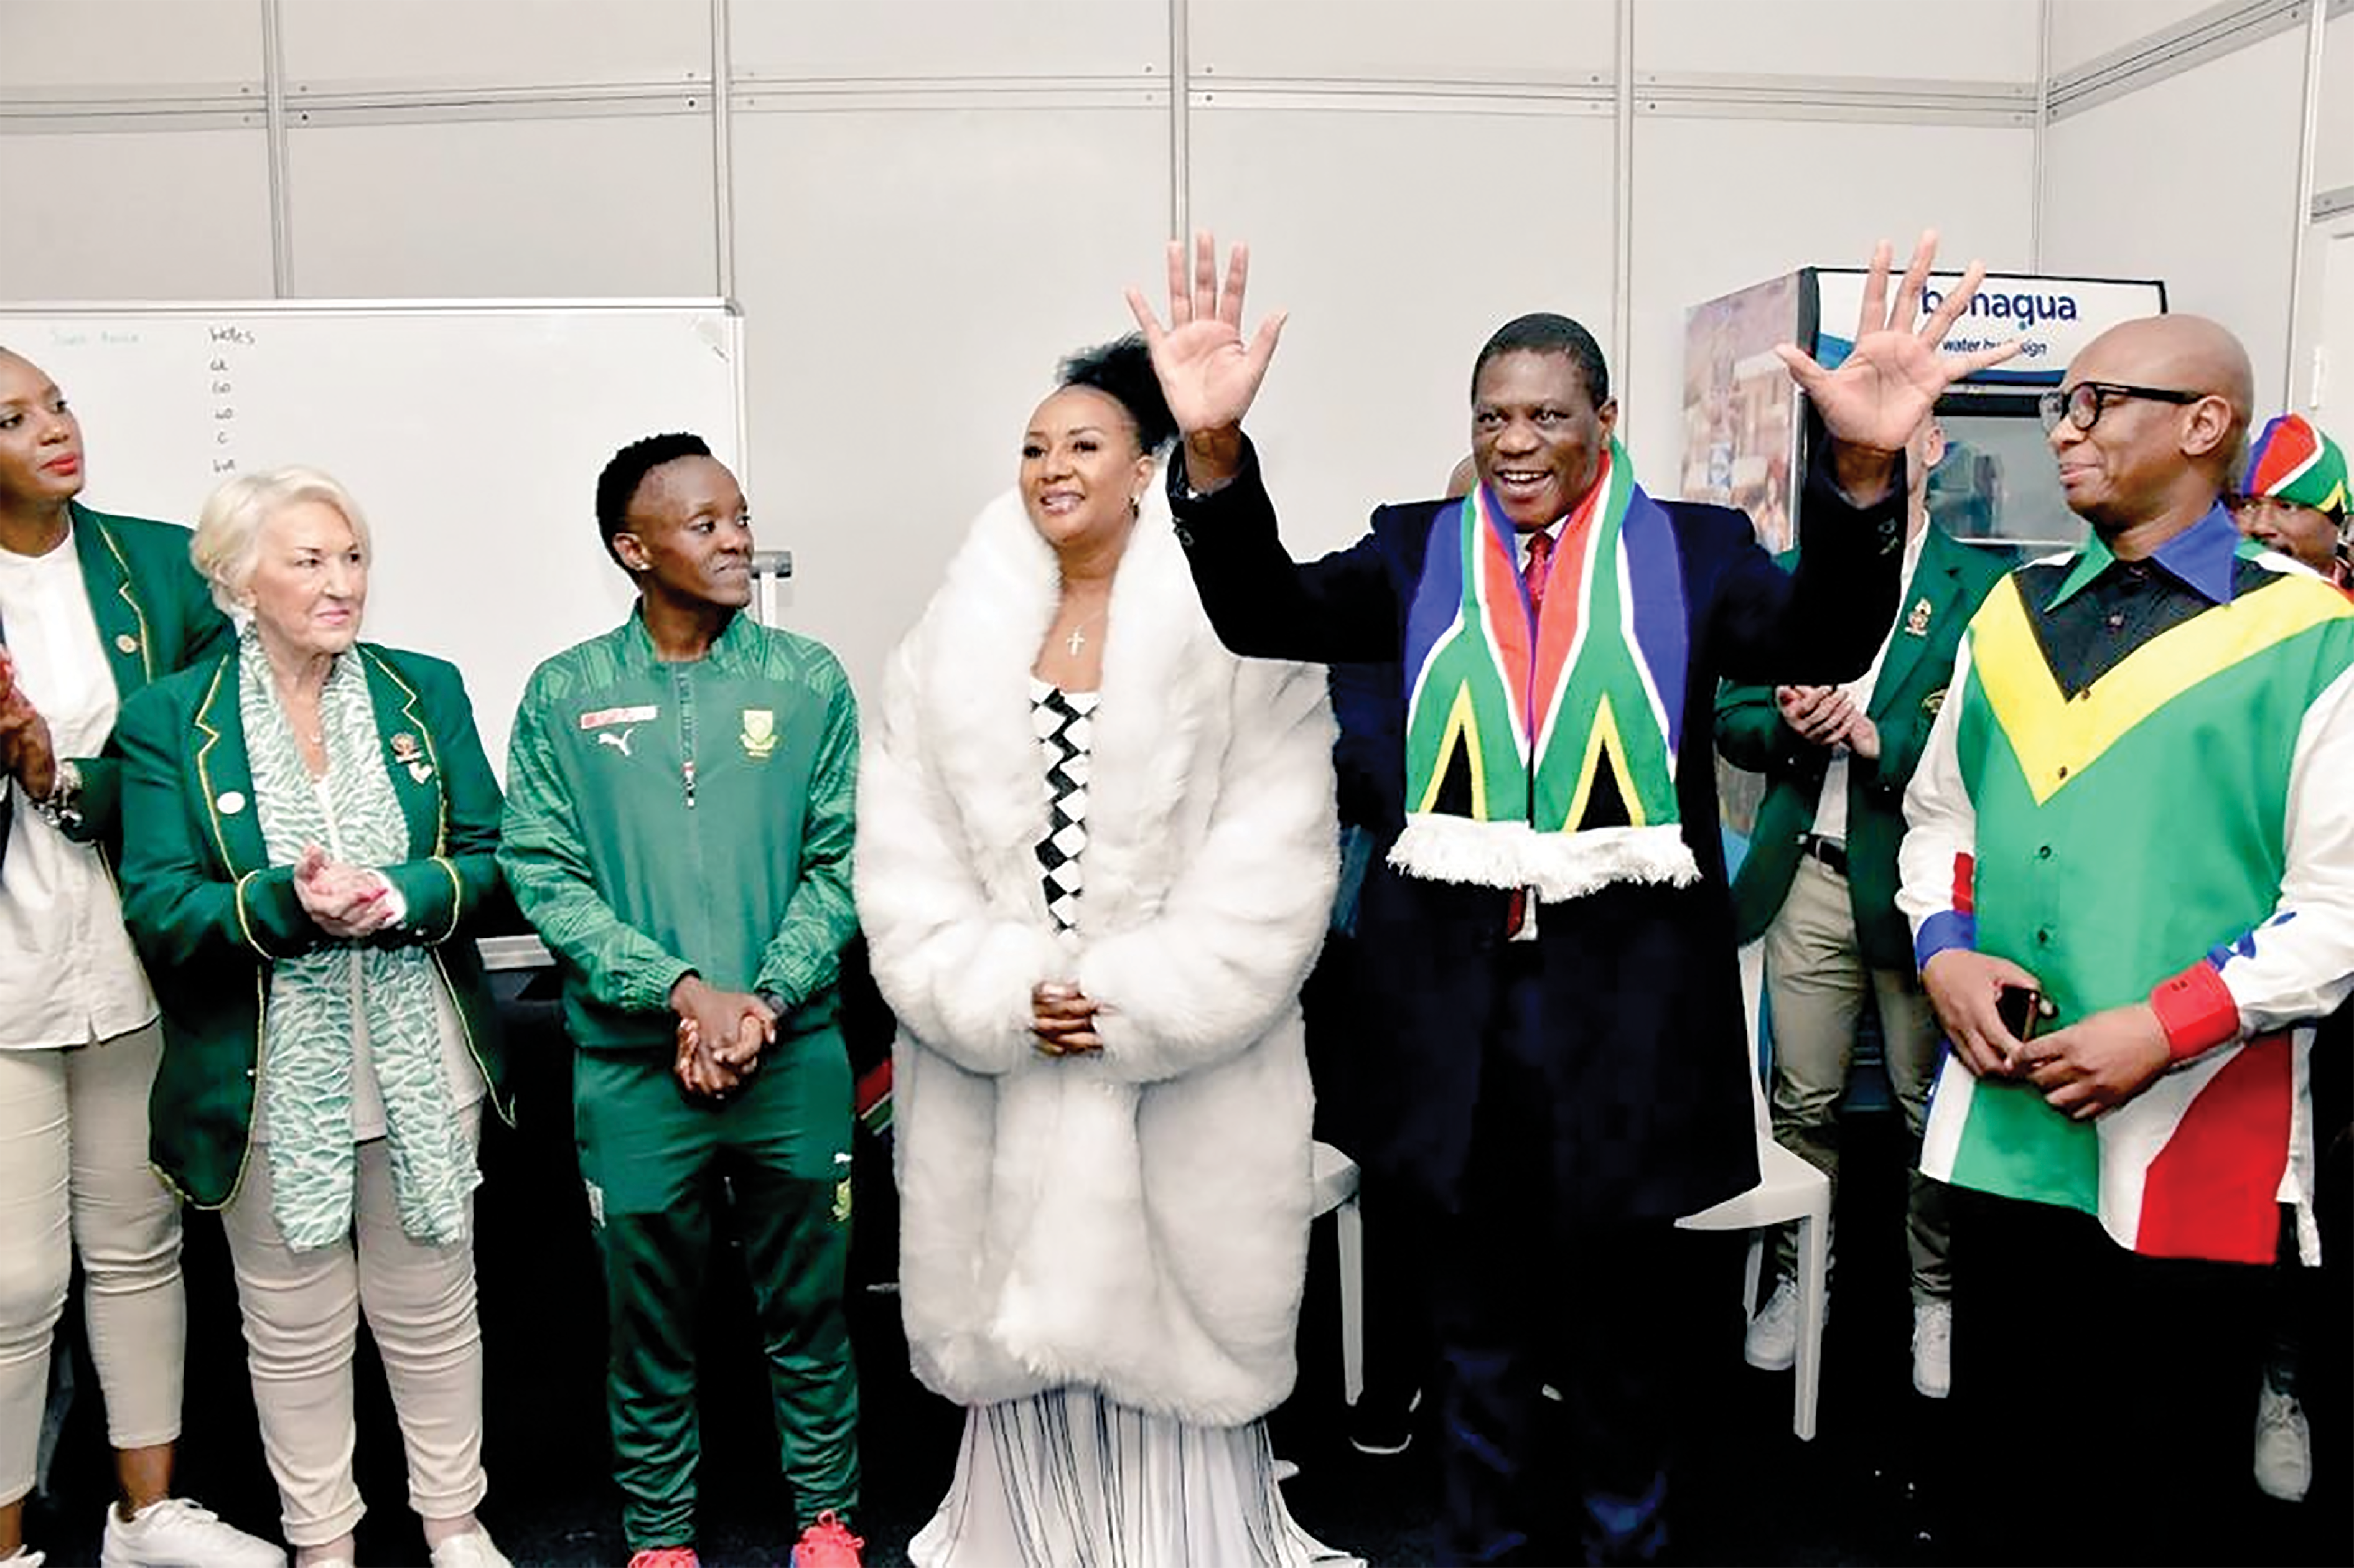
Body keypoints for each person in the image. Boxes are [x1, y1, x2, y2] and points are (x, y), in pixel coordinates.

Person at [1128, 230, 2012, 1564]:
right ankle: (1477, 1543)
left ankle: (1624, 1546)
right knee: (1471, 1339)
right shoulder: (1417, 552)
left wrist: (1866, 467)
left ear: (1603, 420)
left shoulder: (1698, 554)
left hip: (1627, 1024)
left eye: (1547, 414)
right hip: (1453, 1027)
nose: (1515, 441)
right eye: (1491, 417)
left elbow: (1824, 636)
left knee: (1624, 1344)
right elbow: (1261, 610)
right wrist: (1208, 453)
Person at [856, 336, 1351, 1567]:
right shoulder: (946, 643)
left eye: (1083, 442)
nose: (1050, 466)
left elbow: (1277, 853)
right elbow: (902, 853)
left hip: (1187, 1083)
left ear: (1147, 466)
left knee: (1173, 1358)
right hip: (996, 1073)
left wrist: (1133, 999)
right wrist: (997, 993)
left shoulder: (1243, 634)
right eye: (1031, 446)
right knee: (1016, 1347)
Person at [1898, 319, 2354, 1566]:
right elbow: (1941, 812)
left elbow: (2336, 910)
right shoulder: (2010, 612)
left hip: (2195, 1127)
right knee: (2000, 1476)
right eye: (2061, 401)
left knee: (2158, 1494)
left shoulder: (2313, 633)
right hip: (2005, 1127)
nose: (2065, 427)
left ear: (2205, 425)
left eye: (2096, 401)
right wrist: (1942, 947)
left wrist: (2164, 1027)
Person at [113, 467, 512, 1568]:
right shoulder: (166, 722)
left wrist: (400, 896)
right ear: (239, 579)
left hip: (423, 1065)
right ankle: (322, 1541)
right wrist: (286, 903)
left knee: (433, 1303)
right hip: (264, 1074)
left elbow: (498, 860)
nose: (342, 585)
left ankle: (453, 1521)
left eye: (353, 559)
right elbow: (159, 904)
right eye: (310, 562)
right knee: (292, 1331)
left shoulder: (421, 689)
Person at [498, 434, 865, 1568]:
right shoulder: (565, 691)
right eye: (704, 524)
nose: (736, 540)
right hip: (632, 1070)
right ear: (633, 549)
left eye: (741, 517)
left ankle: (828, 1515)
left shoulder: (808, 679)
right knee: (645, 1328)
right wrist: (677, 993)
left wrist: (756, 999)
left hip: (788, 1054)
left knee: (810, 1314)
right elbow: (540, 867)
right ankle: (659, 1535)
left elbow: (840, 861)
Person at [0, 347, 279, 1568]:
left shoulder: (156, 567)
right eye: (14, 420)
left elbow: (200, 775)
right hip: (7, 978)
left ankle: (144, 1517)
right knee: (12, 1285)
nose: (55, 430)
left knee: (136, 1245)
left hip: (126, 964)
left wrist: (57, 773)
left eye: (55, 401)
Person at [1715, 414, 2008, 1399]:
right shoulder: (1793, 570)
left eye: (1908, 434)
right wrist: (1794, 727)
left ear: (1931, 449)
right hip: (1806, 871)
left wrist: (1878, 741)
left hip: (1918, 889)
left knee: (1931, 1111)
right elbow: (1732, 717)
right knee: (1802, 1101)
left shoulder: (1983, 593)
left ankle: (1936, 1294)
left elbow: (1997, 753)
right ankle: (1806, 1279)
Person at [2225, 410, 2352, 1503]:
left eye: (2283, 508)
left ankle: (2287, 1380)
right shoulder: (2225, 627)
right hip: (2249, 940)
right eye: (2245, 507)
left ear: (2336, 526)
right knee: (2263, 1182)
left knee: (2316, 1193)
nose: (2259, 527)